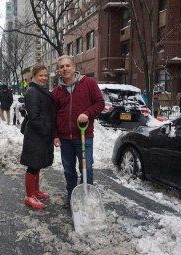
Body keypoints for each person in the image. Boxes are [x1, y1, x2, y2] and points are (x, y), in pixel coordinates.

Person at [52, 55, 105, 209]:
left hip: (84, 135)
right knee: (69, 170)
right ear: (59, 71)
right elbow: (54, 115)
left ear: (74, 67)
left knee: (86, 168)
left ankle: (86, 197)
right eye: (62, 67)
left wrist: (87, 113)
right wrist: (55, 135)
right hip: (65, 138)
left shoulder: (88, 83)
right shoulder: (57, 91)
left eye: (68, 65)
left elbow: (100, 103)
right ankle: (72, 196)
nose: (65, 69)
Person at [20, 64, 55, 209]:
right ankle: (29, 196)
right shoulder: (32, 92)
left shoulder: (40, 90)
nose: (44, 78)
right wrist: (47, 131)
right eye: (41, 75)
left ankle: (35, 191)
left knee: (38, 164)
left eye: (45, 75)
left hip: (42, 134)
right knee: (33, 166)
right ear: (34, 76)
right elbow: (34, 117)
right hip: (36, 134)